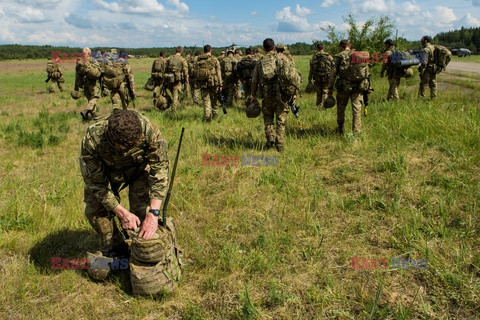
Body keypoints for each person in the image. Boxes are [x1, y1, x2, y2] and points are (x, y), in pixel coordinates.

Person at [79, 109, 169, 256]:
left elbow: (160, 171)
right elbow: (96, 185)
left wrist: (153, 213)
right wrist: (122, 213)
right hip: (107, 174)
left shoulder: (148, 130)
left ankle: (141, 246)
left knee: (142, 210)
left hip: (139, 170)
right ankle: (116, 246)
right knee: (95, 210)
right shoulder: (93, 139)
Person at [251, 38, 296, 152]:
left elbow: (254, 80)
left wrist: (253, 95)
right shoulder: (283, 58)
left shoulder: (260, 61)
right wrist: (293, 93)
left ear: (264, 48)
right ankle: (280, 145)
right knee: (281, 119)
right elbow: (292, 77)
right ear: (274, 47)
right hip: (282, 93)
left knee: (268, 116)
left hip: (267, 94)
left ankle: (270, 137)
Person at [328, 39, 369, 134]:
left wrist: (330, 88)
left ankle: (340, 129)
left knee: (341, 108)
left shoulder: (339, 56)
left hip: (344, 87)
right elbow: (366, 72)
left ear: (341, 47)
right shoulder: (358, 55)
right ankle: (357, 131)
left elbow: (332, 74)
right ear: (349, 46)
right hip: (358, 86)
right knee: (357, 109)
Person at [194, 44, 223, 122]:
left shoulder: (199, 60)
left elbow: (195, 72)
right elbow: (218, 72)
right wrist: (220, 84)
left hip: (203, 83)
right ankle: (215, 117)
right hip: (214, 83)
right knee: (215, 101)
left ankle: (207, 118)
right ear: (211, 50)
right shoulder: (214, 59)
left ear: (204, 51)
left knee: (206, 101)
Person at [75, 47, 102, 120]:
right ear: (89, 53)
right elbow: (98, 70)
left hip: (84, 83)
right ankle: (86, 110)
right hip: (92, 82)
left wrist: (77, 86)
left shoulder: (79, 62)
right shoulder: (92, 60)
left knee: (90, 99)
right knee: (95, 97)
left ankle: (93, 115)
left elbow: (77, 74)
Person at [307, 42, 333, 108]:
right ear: (323, 48)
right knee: (325, 92)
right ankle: (325, 106)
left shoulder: (314, 57)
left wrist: (309, 80)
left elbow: (311, 70)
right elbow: (333, 67)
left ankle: (318, 105)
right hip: (326, 77)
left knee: (318, 92)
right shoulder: (328, 56)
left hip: (317, 77)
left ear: (317, 48)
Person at [165, 46, 189, 111]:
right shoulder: (182, 59)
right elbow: (185, 71)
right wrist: (186, 79)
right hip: (176, 80)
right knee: (175, 94)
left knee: (173, 93)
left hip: (169, 78)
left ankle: (176, 105)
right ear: (181, 51)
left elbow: (165, 68)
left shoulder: (169, 58)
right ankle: (173, 111)